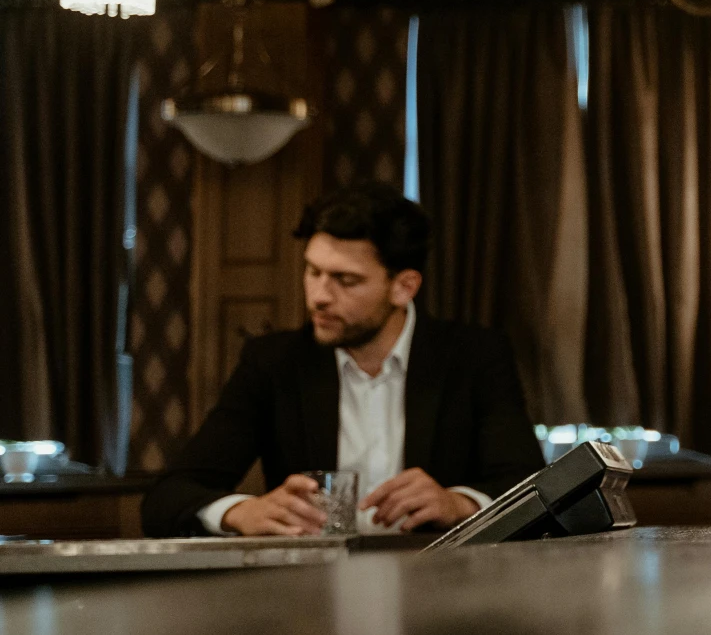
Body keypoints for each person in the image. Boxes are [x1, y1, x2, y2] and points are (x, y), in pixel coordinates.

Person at [142, 184, 543, 538]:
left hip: (440, 593)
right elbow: (168, 497)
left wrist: (459, 504)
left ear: (404, 287)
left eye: (345, 280)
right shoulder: (273, 363)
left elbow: (531, 487)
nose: (319, 296)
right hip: (310, 600)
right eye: (312, 272)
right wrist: (240, 511)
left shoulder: (474, 356)